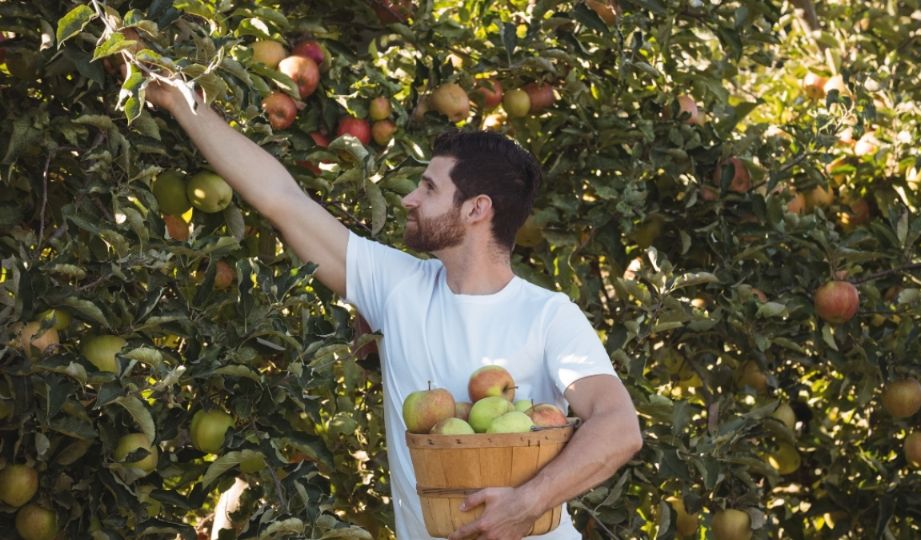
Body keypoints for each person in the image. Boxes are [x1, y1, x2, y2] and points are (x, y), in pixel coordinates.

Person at [145, 81, 643, 540]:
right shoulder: (398, 287)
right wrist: (181, 102)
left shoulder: (548, 315)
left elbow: (619, 426)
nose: (408, 198)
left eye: (428, 188)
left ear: (476, 209)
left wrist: (527, 502)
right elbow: (281, 199)